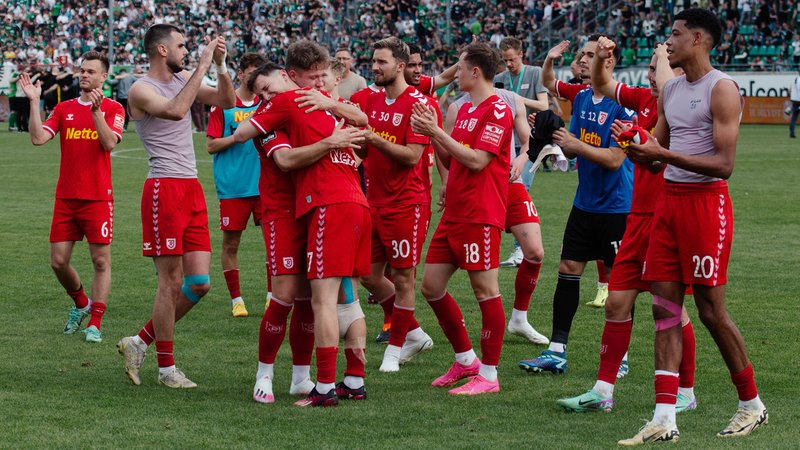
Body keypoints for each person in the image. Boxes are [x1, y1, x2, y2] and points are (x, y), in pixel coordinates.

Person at [620, 9, 768, 444]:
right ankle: (664, 418)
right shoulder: (671, 91)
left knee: (709, 310)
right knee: (664, 309)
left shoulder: (721, 88)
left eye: (676, 34)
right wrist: (632, 145)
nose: (668, 41)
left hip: (706, 207)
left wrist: (661, 157)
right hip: (669, 205)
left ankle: (751, 405)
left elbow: (723, 165)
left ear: (699, 39)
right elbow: (654, 155)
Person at [556, 38, 699, 414]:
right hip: (636, 218)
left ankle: (686, 391)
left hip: (664, 220)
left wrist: (636, 140)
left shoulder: (681, 103)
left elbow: (655, 155)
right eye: (650, 68)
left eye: (658, 67)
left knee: (671, 310)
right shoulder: (643, 100)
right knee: (617, 303)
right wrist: (602, 58)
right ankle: (603, 391)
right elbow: (602, 84)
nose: (651, 75)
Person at [234, 40, 370, 407]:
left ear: (285, 76)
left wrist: (333, 113)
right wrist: (335, 139)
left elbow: (360, 125)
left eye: (268, 87)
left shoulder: (314, 105)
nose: (265, 95)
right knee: (286, 295)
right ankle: (265, 374)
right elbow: (283, 160)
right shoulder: (279, 111)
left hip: (322, 206)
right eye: (258, 92)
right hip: (285, 211)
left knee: (318, 299)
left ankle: (307, 378)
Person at [116, 24, 235, 389]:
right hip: (163, 189)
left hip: (190, 188)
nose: (187, 50)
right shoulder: (141, 88)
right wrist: (199, 65)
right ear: (162, 50)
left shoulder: (184, 75)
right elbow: (175, 109)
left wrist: (219, 66)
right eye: (181, 46)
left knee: (199, 283)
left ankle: (138, 341)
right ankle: (166, 369)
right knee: (170, 282)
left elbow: (227, 102)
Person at [518, 36, 635, 375]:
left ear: (608, 61)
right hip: (585, 204)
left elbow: (614, 159)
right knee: (568, 268)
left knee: (618, 283)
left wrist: (573, 143)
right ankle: (556, 352)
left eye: (590, 55)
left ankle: (620, 357)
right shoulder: (582, 98)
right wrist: (558, 141)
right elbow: (573, 149)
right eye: (582, 55)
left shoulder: (623, 105)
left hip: (617, 207)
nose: (583, 60)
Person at [410, 43, 513, 395]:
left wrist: (437, 133)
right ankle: (466, 360)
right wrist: (431, 131)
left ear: (476, 72)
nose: (455, 72)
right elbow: (454, 160)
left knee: (486, 290)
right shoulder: (466, 109)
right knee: (431, 287)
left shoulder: (497, 109)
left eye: (460, 66)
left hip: (480, 213)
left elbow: (477, 161)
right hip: (455, 211)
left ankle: (490, 375)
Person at [21, 51, 124, 344]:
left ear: (104, 76)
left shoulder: (115, 109)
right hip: (66, 197)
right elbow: (38, 138)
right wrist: (33, 102)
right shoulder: (64, 108)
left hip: (98, 198)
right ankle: (81, 304)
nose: (83, 75)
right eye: (82, 71)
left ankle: (96, 323)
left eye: (90, 71)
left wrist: (96, 112)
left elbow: (108, 144)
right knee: (58, 261)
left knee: (100, 261)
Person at [445, 82, 548, 346]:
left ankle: (519, 318)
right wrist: (446, 182)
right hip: (478, 193)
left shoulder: (511, 100)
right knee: (473, 278)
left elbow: (527, 141)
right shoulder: (458, 107)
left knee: (535, 252)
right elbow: (445, 150)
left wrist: (522, 159)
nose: (459, 74)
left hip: (509, 185)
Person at [357, 37, 435, 373]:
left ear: (400, 66)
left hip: (406, 204)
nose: (375, 67)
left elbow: (412, 156)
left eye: (382, 62)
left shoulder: (419, 105)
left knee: (403, 279)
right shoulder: (371, 101)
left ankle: (395, 349)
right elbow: (364, 153)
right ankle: (414, 332)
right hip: (372, 200)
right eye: (374, 61)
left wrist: (373, 138)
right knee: (368, 274)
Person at [205, 52, 267, 318]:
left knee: (275, 242)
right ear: (240, 74)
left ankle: (272, 297)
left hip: (266, 186)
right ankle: (237, 300)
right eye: (252, 72)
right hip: (233, 187)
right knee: (231, 245)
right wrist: (238, 138)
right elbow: (211, 145)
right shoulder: (224, 104)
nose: (256, 78)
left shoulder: (267, 104)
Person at [493, 37, 550, 268]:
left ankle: (520, 250)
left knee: (520, 187)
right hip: (503, 144)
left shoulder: (535, 73)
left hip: (528, 145)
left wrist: (515, 99)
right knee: (501, 193)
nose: (509, 64)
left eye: (513, 59)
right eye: (505, 60)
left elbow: (544, 105)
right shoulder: (499, 79)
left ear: (521, 54)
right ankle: (512, 244)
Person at [789, 70, 800, 138]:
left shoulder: (794, 80)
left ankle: (791, 133)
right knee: (794, 118)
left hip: (794, 101)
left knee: (794, 118)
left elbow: (789, 90)